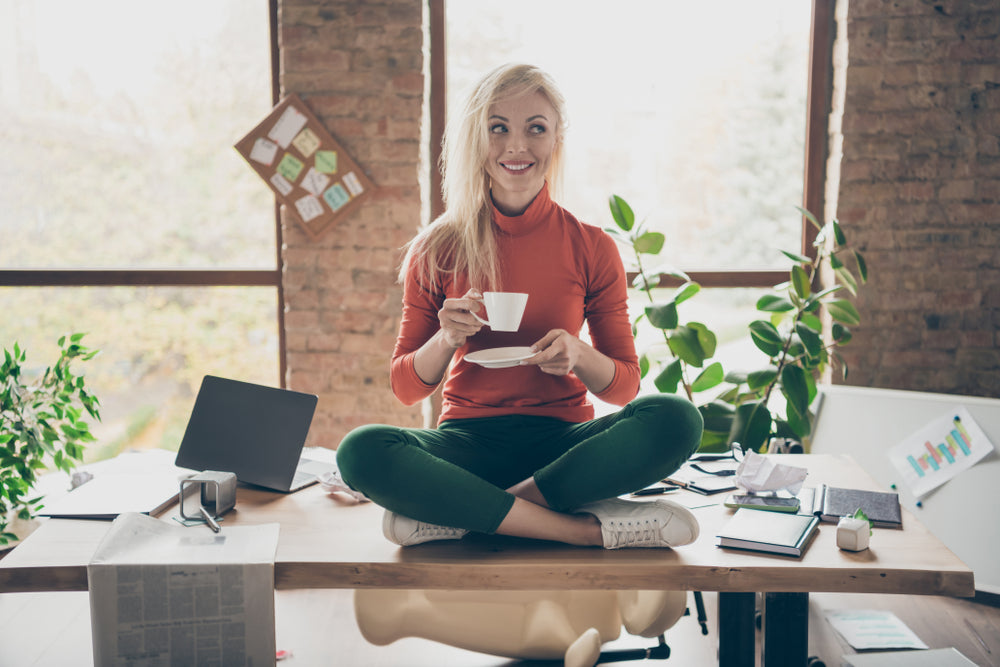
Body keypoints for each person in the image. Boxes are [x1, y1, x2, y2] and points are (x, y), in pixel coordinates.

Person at [336, 63, 703, 550]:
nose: (516, 147)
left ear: (556, 141)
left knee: (677, 417)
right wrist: (445, 339)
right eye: (498, 128)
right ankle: (578, 530)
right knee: (360, 450)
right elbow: (406, 387)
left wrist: (578, 353)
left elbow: (624, 386)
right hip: (466, 443)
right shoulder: (437, 247)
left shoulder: (592, 246)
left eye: (536, 128)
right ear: (477, 139)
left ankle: (469, 512)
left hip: (565, 449)